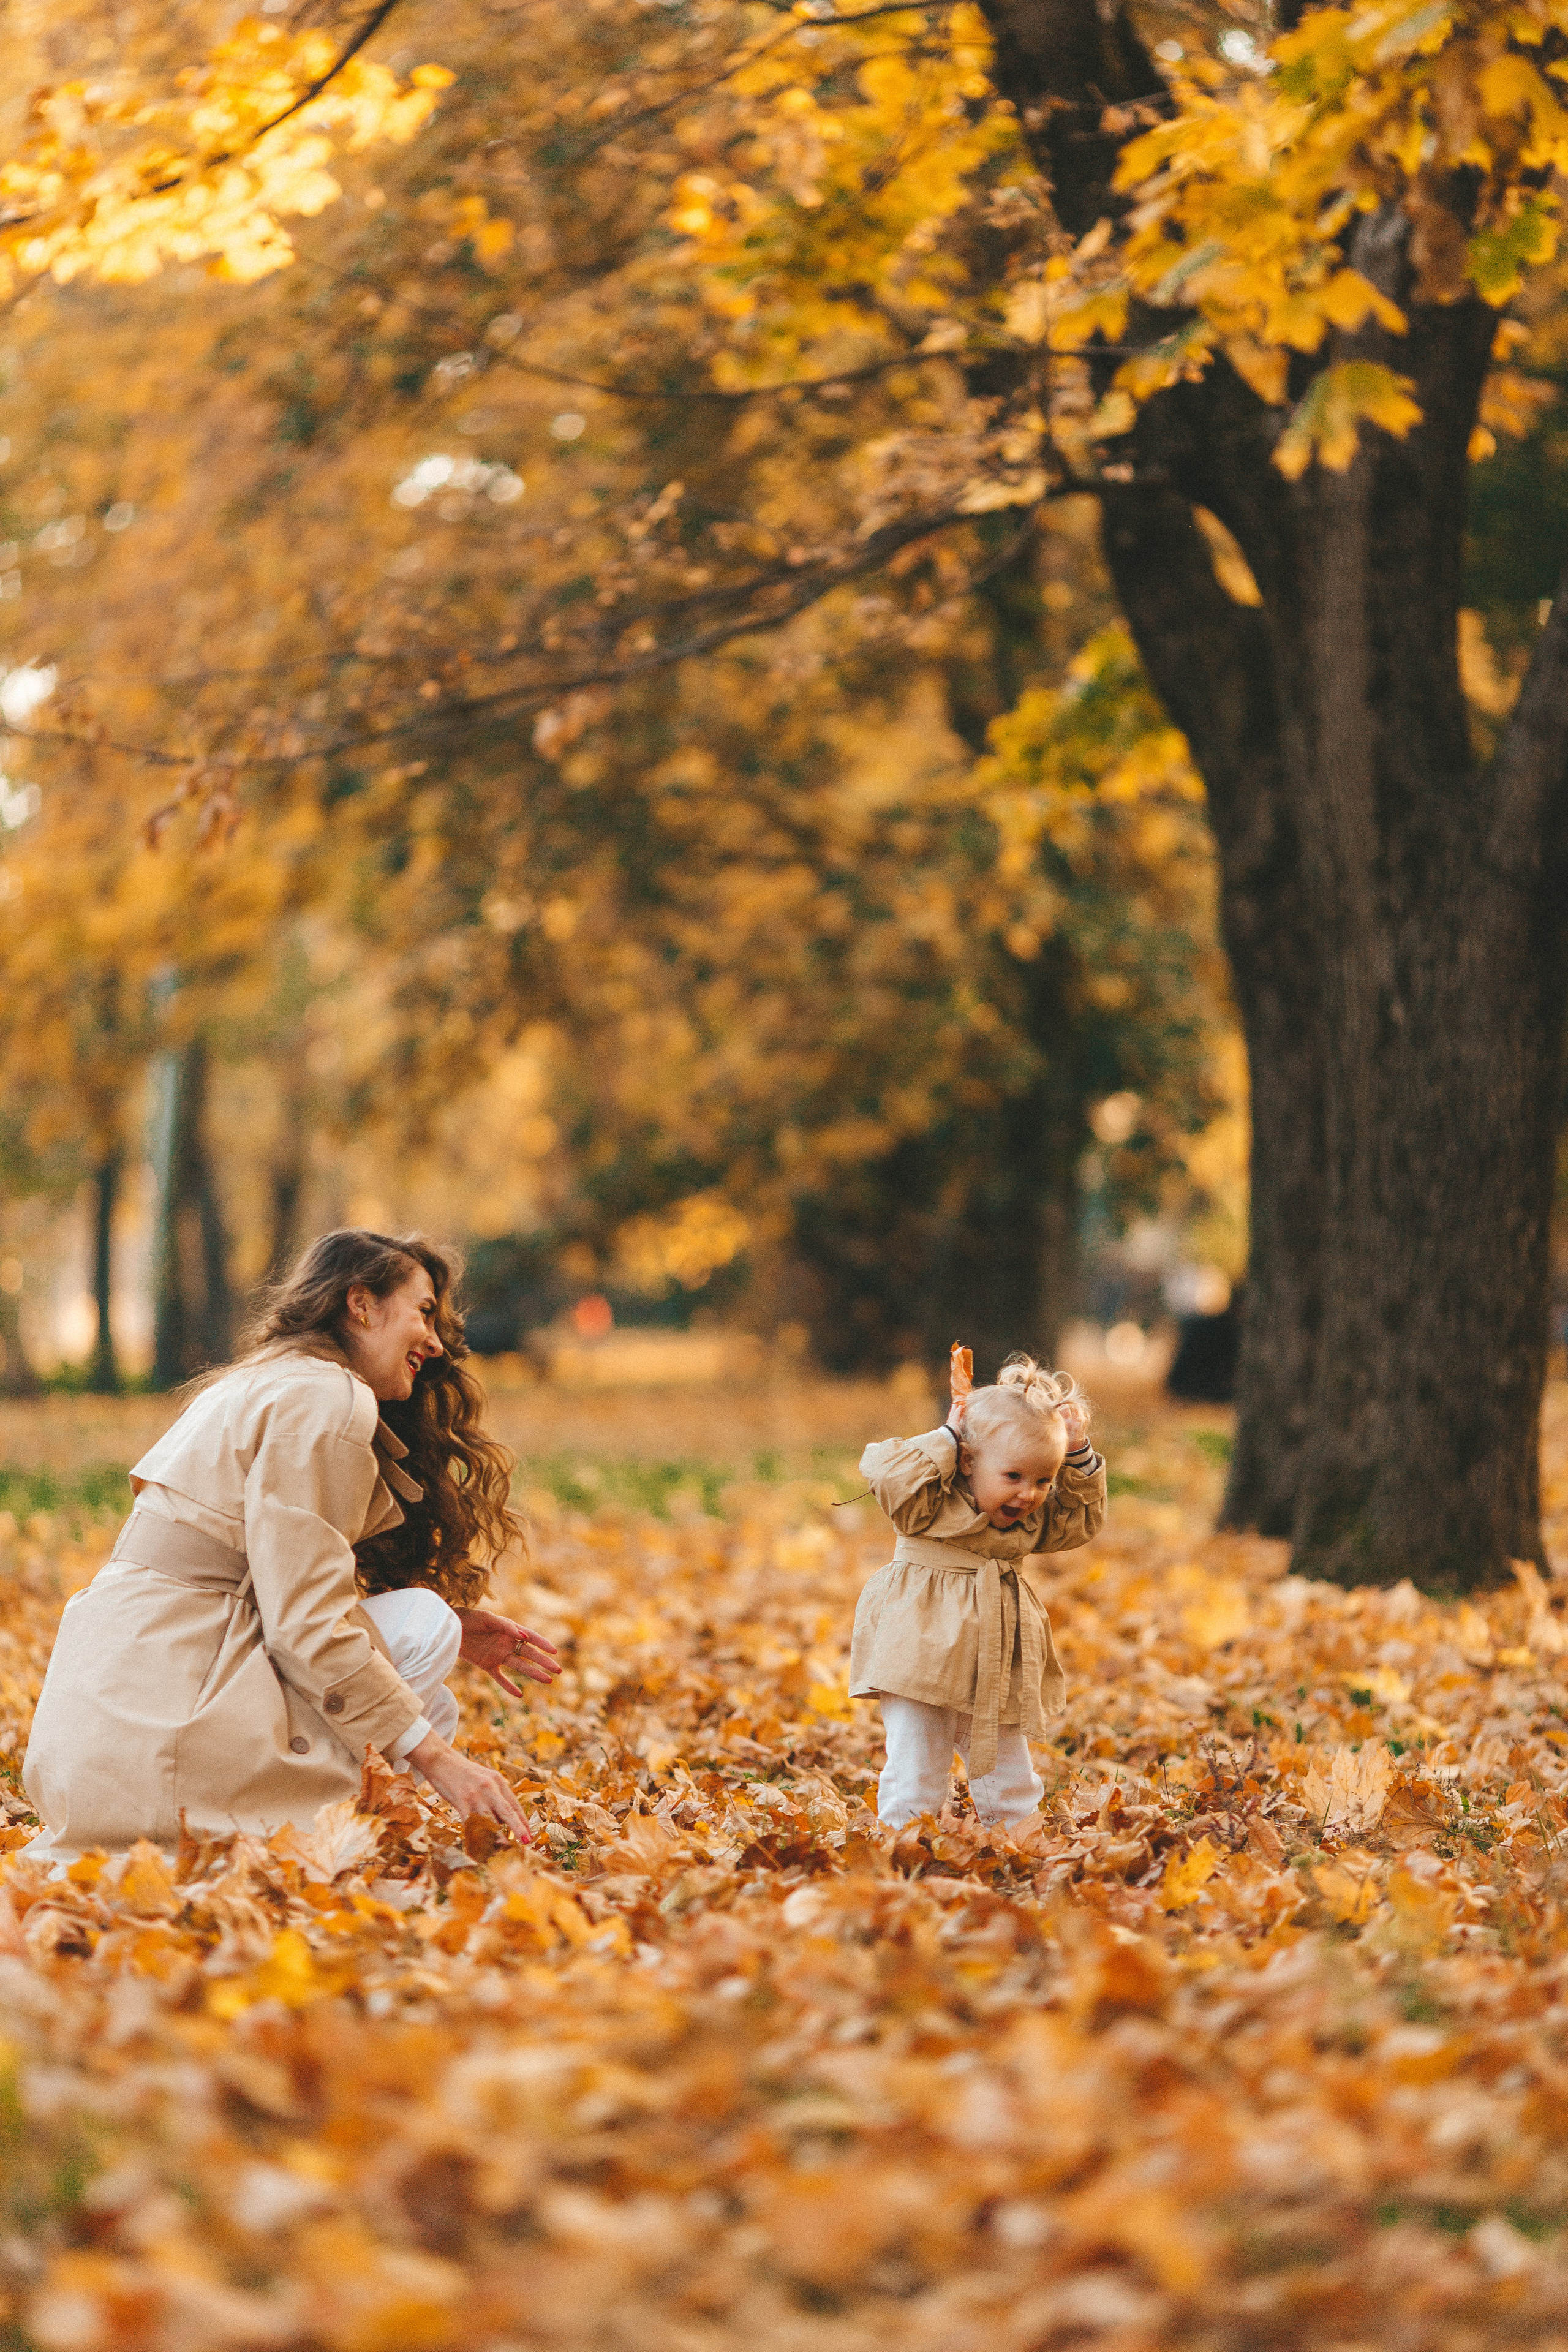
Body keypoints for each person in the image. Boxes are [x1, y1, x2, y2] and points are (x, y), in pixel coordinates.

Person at [23, 1230, 560, 1862]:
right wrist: (442, 1762)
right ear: (362, 1305)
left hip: (95, 1743)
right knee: (422, 1627)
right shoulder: (326, 1398)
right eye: (422, 1312)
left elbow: (259, 1577)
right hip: (166, 1748)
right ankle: (322, 1834)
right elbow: (306, 1620)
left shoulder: (262, 1383)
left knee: (428, 1679)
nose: (437, 1341)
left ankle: (341, 1824)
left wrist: (457, 1633)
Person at [850, 1347, 1106, 1832]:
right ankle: (907, 1839)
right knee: (918, 1761)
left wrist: (1077, 1455)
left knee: (1008, 1758)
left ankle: (1016, 1832)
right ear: (967, 1461)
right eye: (1013, 1476)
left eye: (1043, 1480)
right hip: (919, 1650)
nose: (1027, 1494)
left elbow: (1080, 1524)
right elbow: (890, 1477)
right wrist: (947, 1438)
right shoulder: (930, 1503)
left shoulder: (1026, 1523)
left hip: (995, 1650)